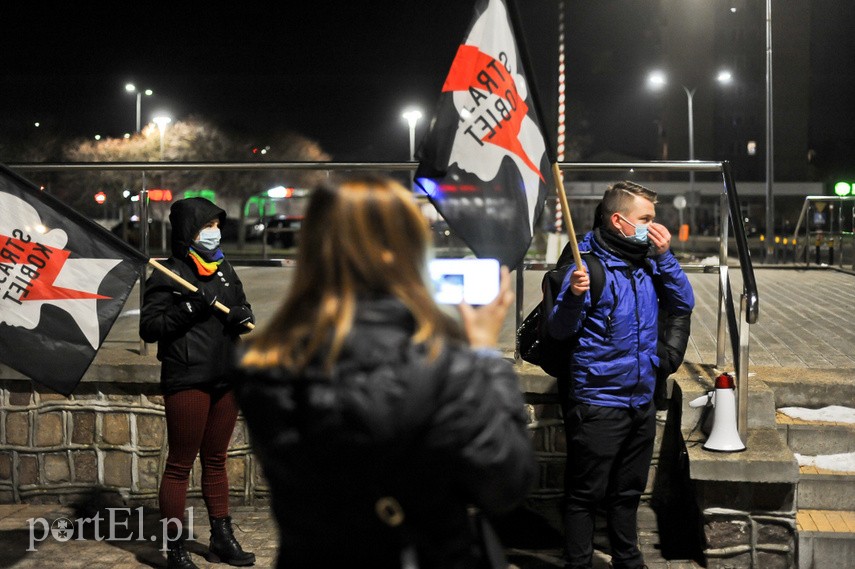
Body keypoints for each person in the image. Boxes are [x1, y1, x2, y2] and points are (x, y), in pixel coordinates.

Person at [231, 175, 537, 569]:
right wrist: (485, 356)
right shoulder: (447, 366)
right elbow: (505, 484)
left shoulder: (264, 363)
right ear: (403, 251)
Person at [547, 181, 695, 569]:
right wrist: (574, 296)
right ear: (619, 220)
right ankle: (577, 563)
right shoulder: (586, 264)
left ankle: (628, 560)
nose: (653, 225)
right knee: (584, 495)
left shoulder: (647, 259)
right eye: (646, 218)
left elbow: (684, 301)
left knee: (627, 492)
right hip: (598, 402)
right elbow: (560, 330)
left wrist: (665, 256)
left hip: (640, 400)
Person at [140, 197, 256, 569]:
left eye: (217, 225)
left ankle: (222, 539)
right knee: (180, 465)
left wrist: (242, 315)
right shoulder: (168, 273)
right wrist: (190, 307)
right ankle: (175, 550)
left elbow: (243, 305)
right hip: (188, 378)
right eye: (207, 226)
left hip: (227, 376)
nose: (214, 232)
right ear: (189, 231)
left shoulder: (224, 268)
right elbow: (151, 327)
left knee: (216, 461)